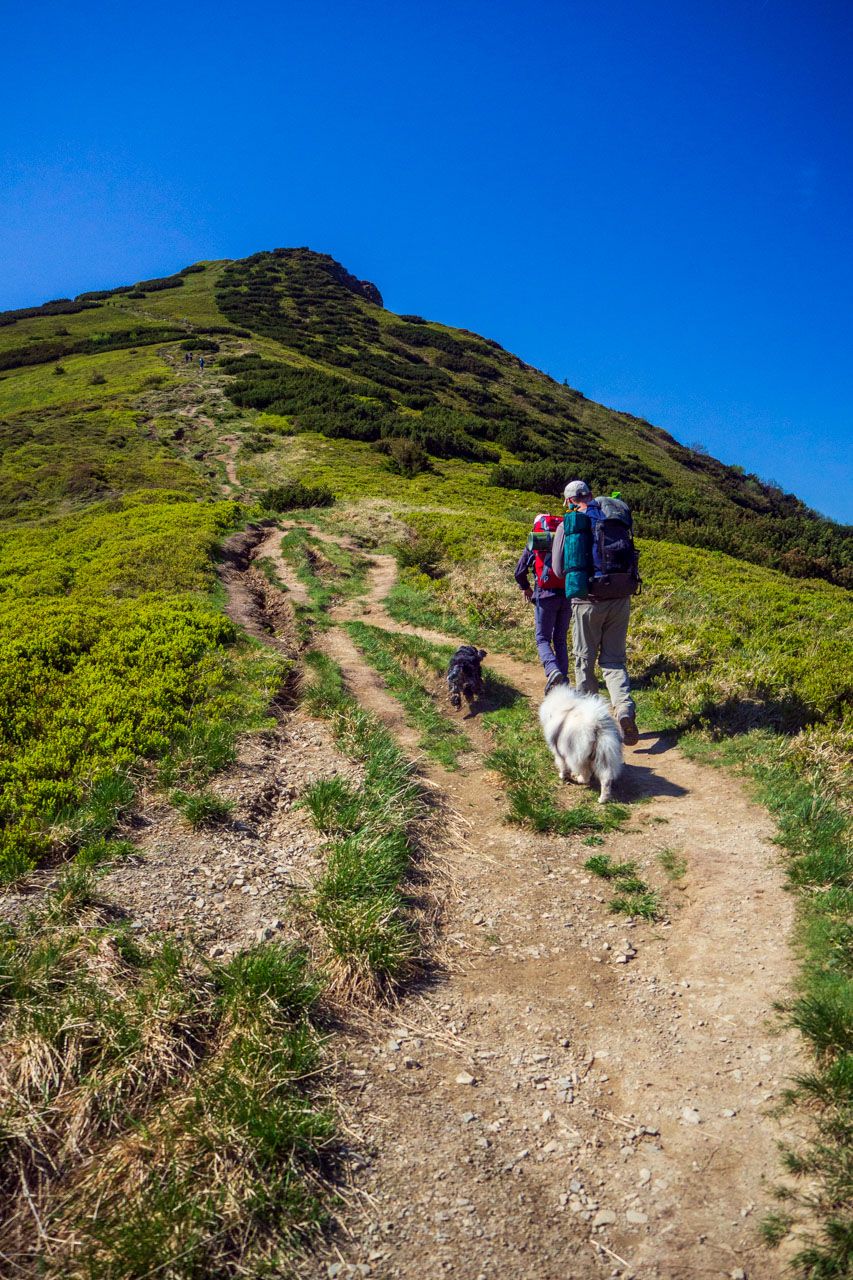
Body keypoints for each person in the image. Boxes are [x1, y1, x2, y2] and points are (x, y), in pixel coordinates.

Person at [551, 480, 639, 745]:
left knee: (584, 660)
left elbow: (557, 569)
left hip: (588, 601)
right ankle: (624, 710)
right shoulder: (615, 513)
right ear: (589, 494)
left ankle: (591, 724)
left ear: (569, 501)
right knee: (614, 661)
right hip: (620, 597)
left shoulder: (570, 523)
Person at [514, 517, 571, 695]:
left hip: (545, 595)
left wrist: (526, 588)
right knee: (560, 639)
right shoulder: (565, 537)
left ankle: (553, 670)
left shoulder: (537, 540)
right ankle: (563, 681)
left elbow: (519, 571)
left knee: (542, 638)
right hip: (567, 594)